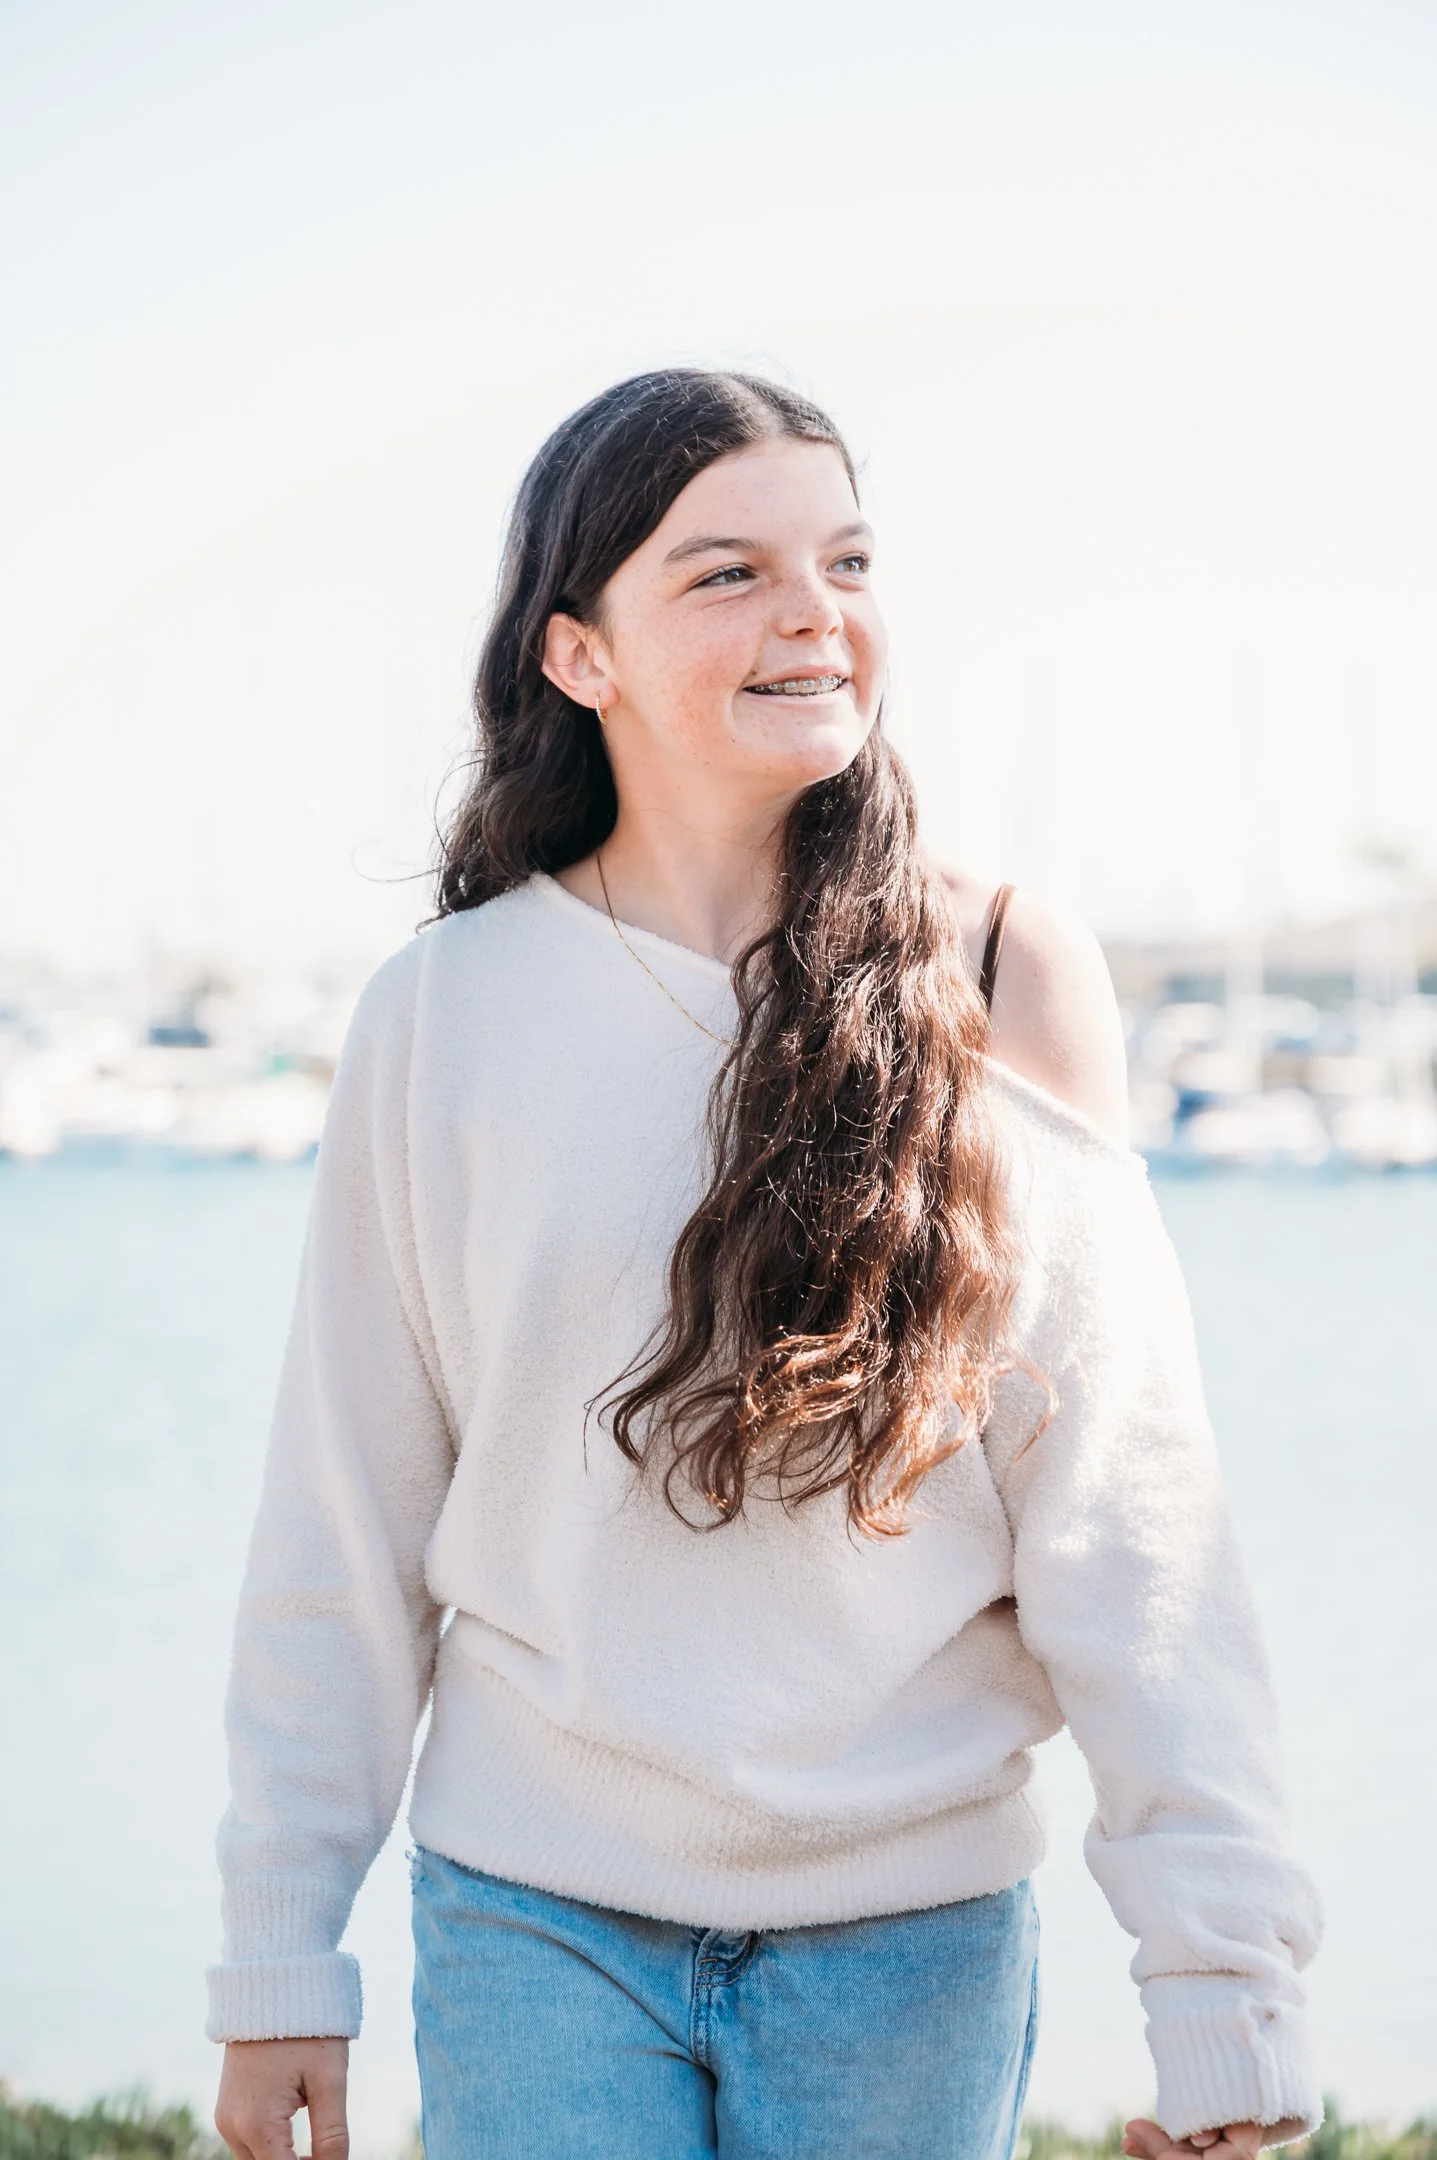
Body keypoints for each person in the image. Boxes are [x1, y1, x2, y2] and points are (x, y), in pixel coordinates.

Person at [209, 369, 1321, 2160]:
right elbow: (343, 1514)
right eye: (727, 572)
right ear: (581, 655)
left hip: (910, 1938)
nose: (815, 611)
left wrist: (1222, 1982)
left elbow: (1132, 1514)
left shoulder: (1004, 970)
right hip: (530, 1920)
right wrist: (282, 1959)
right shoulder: (444, 1013)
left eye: (849, 559)